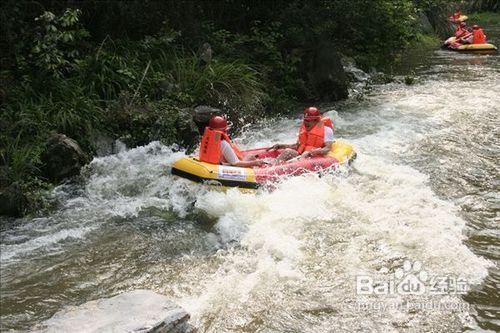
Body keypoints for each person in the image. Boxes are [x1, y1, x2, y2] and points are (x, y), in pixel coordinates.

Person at [268, 107, 334, 161]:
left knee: (303, 153)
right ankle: (270, 166)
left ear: (315, 121)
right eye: (305, 120)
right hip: (302, 155)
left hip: (315, 157)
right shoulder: (304, 129)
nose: (305, 123)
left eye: (308, 121)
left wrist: (313, 152)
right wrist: (281, 146)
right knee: (288, 151)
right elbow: (298, 146)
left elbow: (327, 148)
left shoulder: (326, 130)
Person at [198, 116, 265, 167]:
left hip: (210, 164)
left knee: (250, 157)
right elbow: (236, 163)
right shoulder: (223, 144)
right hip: (223, 167)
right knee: (251, 157)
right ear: (224, 130)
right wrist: (254, 163)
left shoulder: (206, 138)